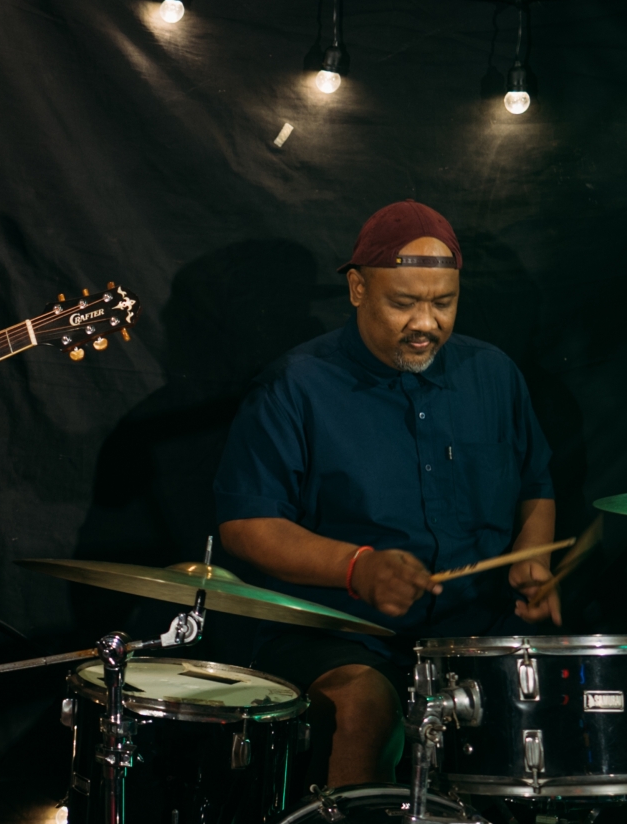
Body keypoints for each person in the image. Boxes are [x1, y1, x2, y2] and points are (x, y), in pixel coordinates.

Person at [216, 199, 558, 788]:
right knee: (370, 709)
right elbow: (247, 523)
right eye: (403, 303)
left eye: (442, 303)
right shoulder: (294, 385)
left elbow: (535, 485)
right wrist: (358, 568)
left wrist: (533, 558)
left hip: (473, 632)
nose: (426, 323)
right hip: (340, 632)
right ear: (357, 289)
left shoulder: (494, 374)